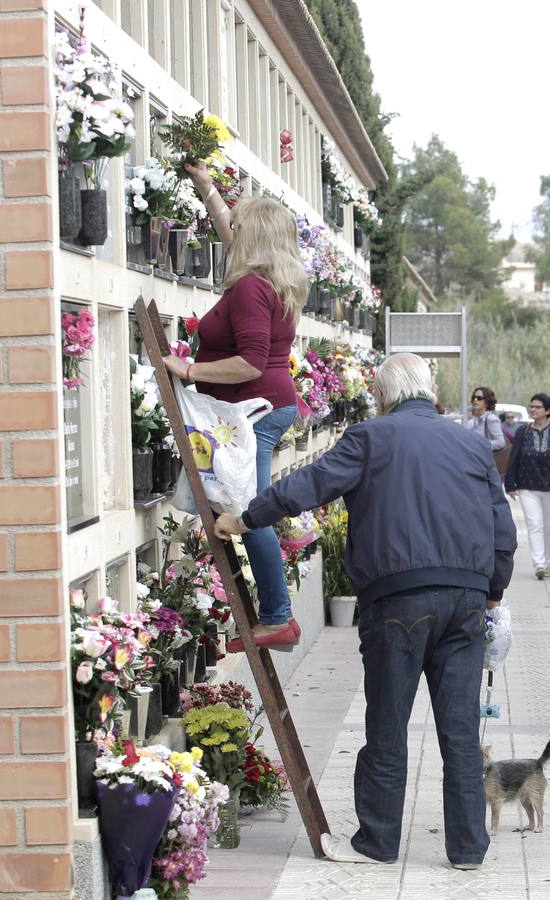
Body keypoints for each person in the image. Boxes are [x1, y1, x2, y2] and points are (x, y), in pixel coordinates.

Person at [212, 353, 516, 870]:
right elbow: (500, 525)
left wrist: (246, 519)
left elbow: (308, 485)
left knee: (388, 725)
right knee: (461, 733)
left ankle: (377, 844)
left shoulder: (370, 437)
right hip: (465, 601)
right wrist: (492, 592)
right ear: (429, 389)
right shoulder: (469, 442)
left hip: (397, 600)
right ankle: (468, 850)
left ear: (381, 395)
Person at [161, 172, 304, 651]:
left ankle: (278, 618)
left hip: (255, 411)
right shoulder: (272, 281)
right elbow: (229, 229)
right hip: (270, 406)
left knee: (250, 511)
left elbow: (248, 362)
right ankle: (277, 613)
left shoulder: (248, 290)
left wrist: (187, 370)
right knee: (246, 506)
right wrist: (204, 184)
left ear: (254, 238)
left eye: (241, 230)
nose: (232, 235)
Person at [505, 393, 550, 579]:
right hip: (527, 486)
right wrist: (509, 484)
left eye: (537, 407)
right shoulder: (523, 432)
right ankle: (539, 564)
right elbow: (514, 458)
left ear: (548, 410)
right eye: (531, 407)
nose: (533, 410)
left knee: (549, 526)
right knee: (534, 524)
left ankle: (547, 561)